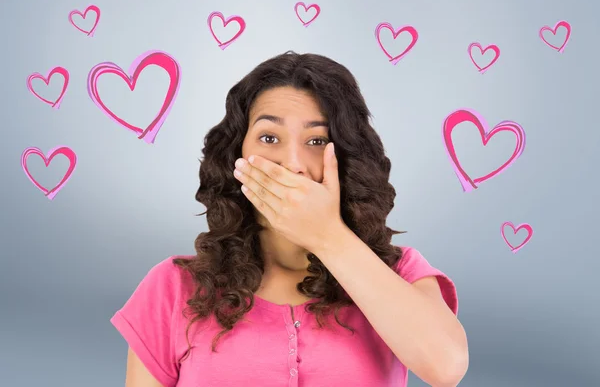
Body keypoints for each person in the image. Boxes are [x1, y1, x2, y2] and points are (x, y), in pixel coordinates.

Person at [111, 51, 469, 387]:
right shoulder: (173, 288)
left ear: (346, 158)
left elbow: (446, 366)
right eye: (269, 137)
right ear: (237, 154)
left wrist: (328, 236)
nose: (292, 163)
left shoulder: (400, 274)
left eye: (316, 141)